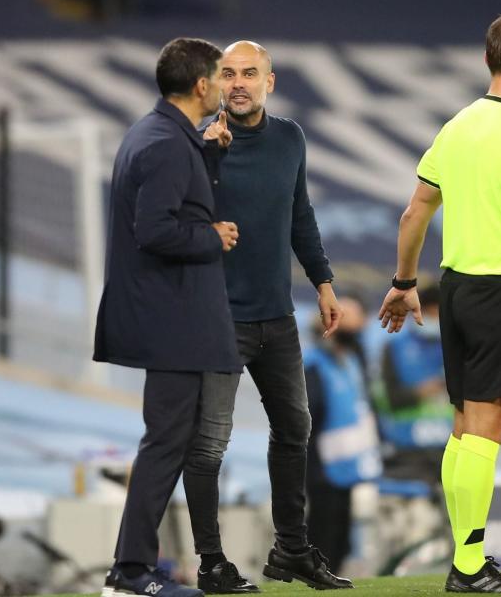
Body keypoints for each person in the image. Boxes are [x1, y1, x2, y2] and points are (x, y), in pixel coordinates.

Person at [377, 13, 501, 594]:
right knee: (488, 427)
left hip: (453, 291)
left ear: (488, 61)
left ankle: (466, 560)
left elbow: (413, 214)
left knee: (463, 429)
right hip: (500, 293)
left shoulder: (454, 127)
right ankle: (470, 566)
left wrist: (405, 282)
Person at [178, 40, 351, 593]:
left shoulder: (290, 138)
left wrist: (323, 283)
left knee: (296, 430)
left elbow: (300, 213)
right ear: (213, 83)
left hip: (277, 317)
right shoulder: (196, 144)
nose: (238, 83)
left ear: (269, 82)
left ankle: (292, 549)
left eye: (249, 73)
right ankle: (210, 563)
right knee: (208, 445)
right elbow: (171, 222)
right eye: (227, 74)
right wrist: (205, 156)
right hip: (217, 319)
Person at [94, 37, 241, 597]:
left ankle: (131, 567)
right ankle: (131, 573)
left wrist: (209, 154)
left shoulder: (161, 135)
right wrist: (212, 235)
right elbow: (154, 230)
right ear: (202, 85)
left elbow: (172, 201)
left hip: (168, 314)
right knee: (165, 441)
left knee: (169, 440)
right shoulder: (164, 145)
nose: (228, 87)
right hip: (171, 317)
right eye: (221, 77)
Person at [304, 293, 382, 576]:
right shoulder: (313, 363)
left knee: (341, 528)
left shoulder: (352, 360)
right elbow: (311, 415)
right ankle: (316, 574)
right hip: (320, 463)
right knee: (322, 526)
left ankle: (332, 572)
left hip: (349, 462)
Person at [377, 284, 452, 485]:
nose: (435, 319)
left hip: (450, 448)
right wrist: (420, 392)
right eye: (430, 313)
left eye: (440, 313)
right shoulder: (395, 348)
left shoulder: (456, 348)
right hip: (408, 452)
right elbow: (389, 399)